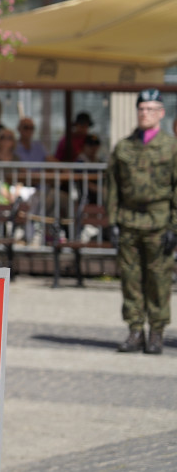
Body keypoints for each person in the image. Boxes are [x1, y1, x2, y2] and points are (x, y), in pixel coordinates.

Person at [106, 89, 177, 355]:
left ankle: (157, 332)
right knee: (130, 279)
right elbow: (112, 188)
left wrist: (175, 227)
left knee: (158, 280)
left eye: (150, 109)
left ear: (161, 113)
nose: (144, 113)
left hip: (159, 223)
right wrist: (111, 222)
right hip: (129, 222)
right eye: (141, 109)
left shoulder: (171, 147)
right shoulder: (123, 147)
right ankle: (135, 331)